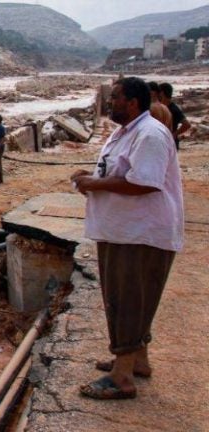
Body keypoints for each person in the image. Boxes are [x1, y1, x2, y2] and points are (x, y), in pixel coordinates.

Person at [70, 77, 184, 400]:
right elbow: (118, 171)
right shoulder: (128, 131)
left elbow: (144, 182)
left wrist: (95, 185)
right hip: (123, 230)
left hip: (140, 233)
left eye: (116, 97)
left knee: (130, 299)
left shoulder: (149, 134)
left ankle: (122, 376)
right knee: (129, 297)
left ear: (133, 102)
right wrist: (91, 179)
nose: (111, 102)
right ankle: (137, 360)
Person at [159, 82, 191, 150]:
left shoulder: (173, 109)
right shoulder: (162, 107)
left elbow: (187, 124)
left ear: (162, 93)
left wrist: (174, 135)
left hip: (170, 143)